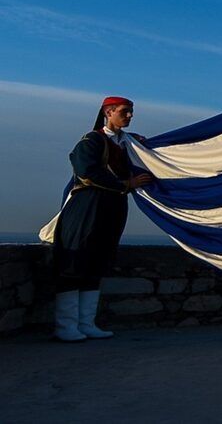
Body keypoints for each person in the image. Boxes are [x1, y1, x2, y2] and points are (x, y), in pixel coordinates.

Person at [50, 96, 154, 342]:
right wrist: (126, 183)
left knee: (98, 261)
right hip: (88, 205)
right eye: (124, 112)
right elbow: (86, 171)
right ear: (108, 112)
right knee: (75, 260)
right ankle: (66, 326)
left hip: (113, 205)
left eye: (130, 112)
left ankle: (86, 323)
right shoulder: (92, 140)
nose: (129, 116)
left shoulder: (128, 143)